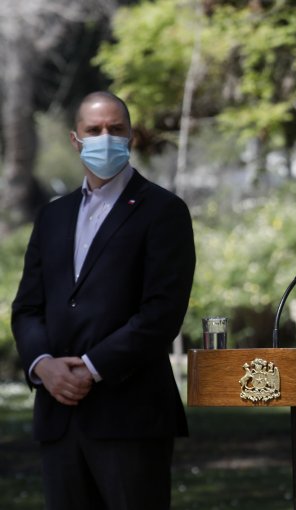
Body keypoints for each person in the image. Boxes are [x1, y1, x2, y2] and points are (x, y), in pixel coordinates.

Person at [11, 91, 195, 510]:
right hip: (58, 416)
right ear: (76, 140)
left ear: (131, 137)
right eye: (94, 130)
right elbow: (27, 308)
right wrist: (44, 365)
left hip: (130, 415)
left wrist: (92, 368)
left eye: (116, 129)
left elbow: (162, 313)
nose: (105, 138)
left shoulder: (163, 211)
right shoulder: (52, 216)